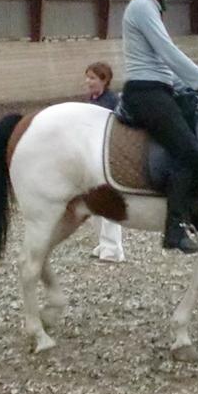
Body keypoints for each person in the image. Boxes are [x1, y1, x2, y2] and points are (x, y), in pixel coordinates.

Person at [120, 0, 198, 254]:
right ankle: (174, 229)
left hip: (158, 86)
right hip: (145, 92)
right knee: (188, 150)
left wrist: (192, 87)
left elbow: (163, 64)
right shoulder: (141, 6)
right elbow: (168, 53)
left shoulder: (150, 8)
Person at [85, 62, 124, 263]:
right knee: (95, 203)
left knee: (108, 200)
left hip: (107, 155)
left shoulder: (112, 101)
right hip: (93, 155)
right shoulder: (91, 100)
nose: (88, 82)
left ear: (104, 80)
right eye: (88, 77)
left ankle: (113, 248)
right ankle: (103, 242)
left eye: (92, 78)